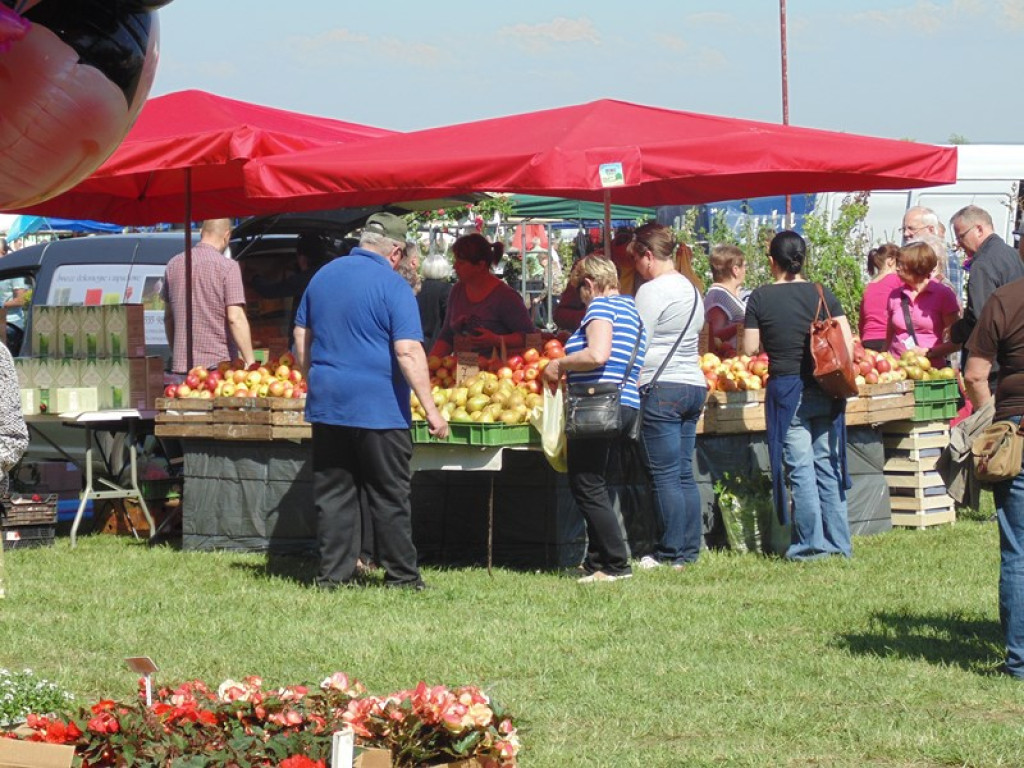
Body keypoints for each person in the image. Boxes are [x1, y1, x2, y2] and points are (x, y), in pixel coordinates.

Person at [295, 212, 447, 591]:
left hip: (328, 401)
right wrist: (431, 410)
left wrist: (312, 378)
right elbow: (409, 351)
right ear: (395, 252)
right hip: (379, 407)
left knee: (334, 492)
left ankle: (333, 576)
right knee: (389, 493)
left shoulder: (323, 276)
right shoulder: (393, 287)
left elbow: (301, 336)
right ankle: (402, 576)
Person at [743, 231, 853, 561]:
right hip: (826, 388)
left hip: (786, 390)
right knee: (827, 465)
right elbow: (846, 339)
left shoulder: (760, 298)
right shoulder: (822, 292)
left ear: (771, 261)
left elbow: (750, 347)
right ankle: (839, 545)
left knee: (801, 470)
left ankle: (810, 546)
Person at [541, 255, 646, 583]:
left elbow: (597, 354)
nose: (581, 299)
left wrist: (560, 365)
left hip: (596, 404)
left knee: (586, 483)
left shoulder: (601, 308)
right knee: (595, 480)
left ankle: (615, 564)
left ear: (589, 284)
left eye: (580, 292)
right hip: (624, 403)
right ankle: (596, 560)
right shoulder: (632, 310)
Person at [629, 224, 707, 570]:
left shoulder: (653, 290)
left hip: (661, 387)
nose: (634, 267)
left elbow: (637, 340)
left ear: (648, 255)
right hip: (693, 384)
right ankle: (689, 551)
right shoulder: (692, 289)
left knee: (663, 475)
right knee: (682, 473)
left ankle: (668, 551)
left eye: (635, 259)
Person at [963, 275, 1024, 678]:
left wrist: (990, 421)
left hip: (1016, 432)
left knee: (1019, 550)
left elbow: (974, 374)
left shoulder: (1006, 299)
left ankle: (1020, 661)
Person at [161, 218, 255, 375]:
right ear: (227, 235)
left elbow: (169, 318)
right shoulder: (228, 267)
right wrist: (251, 362)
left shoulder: (173, 265)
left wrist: (178, 352)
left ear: (201, 232)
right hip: (218, 367)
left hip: (182, 369)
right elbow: (235, 318)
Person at [429, 233, 535, 358]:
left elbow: (530, 337)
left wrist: (497, 339)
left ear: (480, 265)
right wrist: (430, 365)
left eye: (461, 262)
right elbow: (446, 336)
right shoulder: (457, 290)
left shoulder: (505, 297)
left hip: (496, 373)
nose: (455, 266)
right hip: (461, 371)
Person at [949, 205, 1024, 379]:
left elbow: (981, 317)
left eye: (961, 236)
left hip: (991, 363)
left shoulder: (983, 264)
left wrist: (954, 332)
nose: (958, 243)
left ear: (979, 229)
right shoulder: (1012, 255)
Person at [885, 242, 960, 367]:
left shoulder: (943, 294)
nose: (897, 268)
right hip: (898, 370)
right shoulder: (895, 295)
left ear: (917, 265)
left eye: (902, 264)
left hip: (930, 371)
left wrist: (929, 353)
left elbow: (956, 341)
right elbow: (889, 337)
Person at [249, 232, 332, 337]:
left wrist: (253, 277)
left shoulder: (303, 280)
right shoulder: (333, 273)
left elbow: (269, 291)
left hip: (307, 340)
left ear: (302, 259)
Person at [902, 205, 964, 299]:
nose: (906, 234)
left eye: (911, 229)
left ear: (930, 229)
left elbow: (954, 299)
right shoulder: (903, 257)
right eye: (903, 229)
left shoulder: (947, 256)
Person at [703, 244, 748, 357]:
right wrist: (746, 321)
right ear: (735, 270)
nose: (745, 271)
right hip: (726, 364)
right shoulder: (719, 297)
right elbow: (715, 334)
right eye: (744, 266)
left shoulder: (723, 295)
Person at [858, 243, 902, 351]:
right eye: (900, 263)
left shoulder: (869, 286)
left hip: (868, 340)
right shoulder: (896, 280)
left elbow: (862, 320)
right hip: (887, 339)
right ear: (891, 260)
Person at [417, 252, 452, 353]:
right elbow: (449, 317)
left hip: (418, 339)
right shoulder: (447, 289)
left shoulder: (418, 287)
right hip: (437, 343)